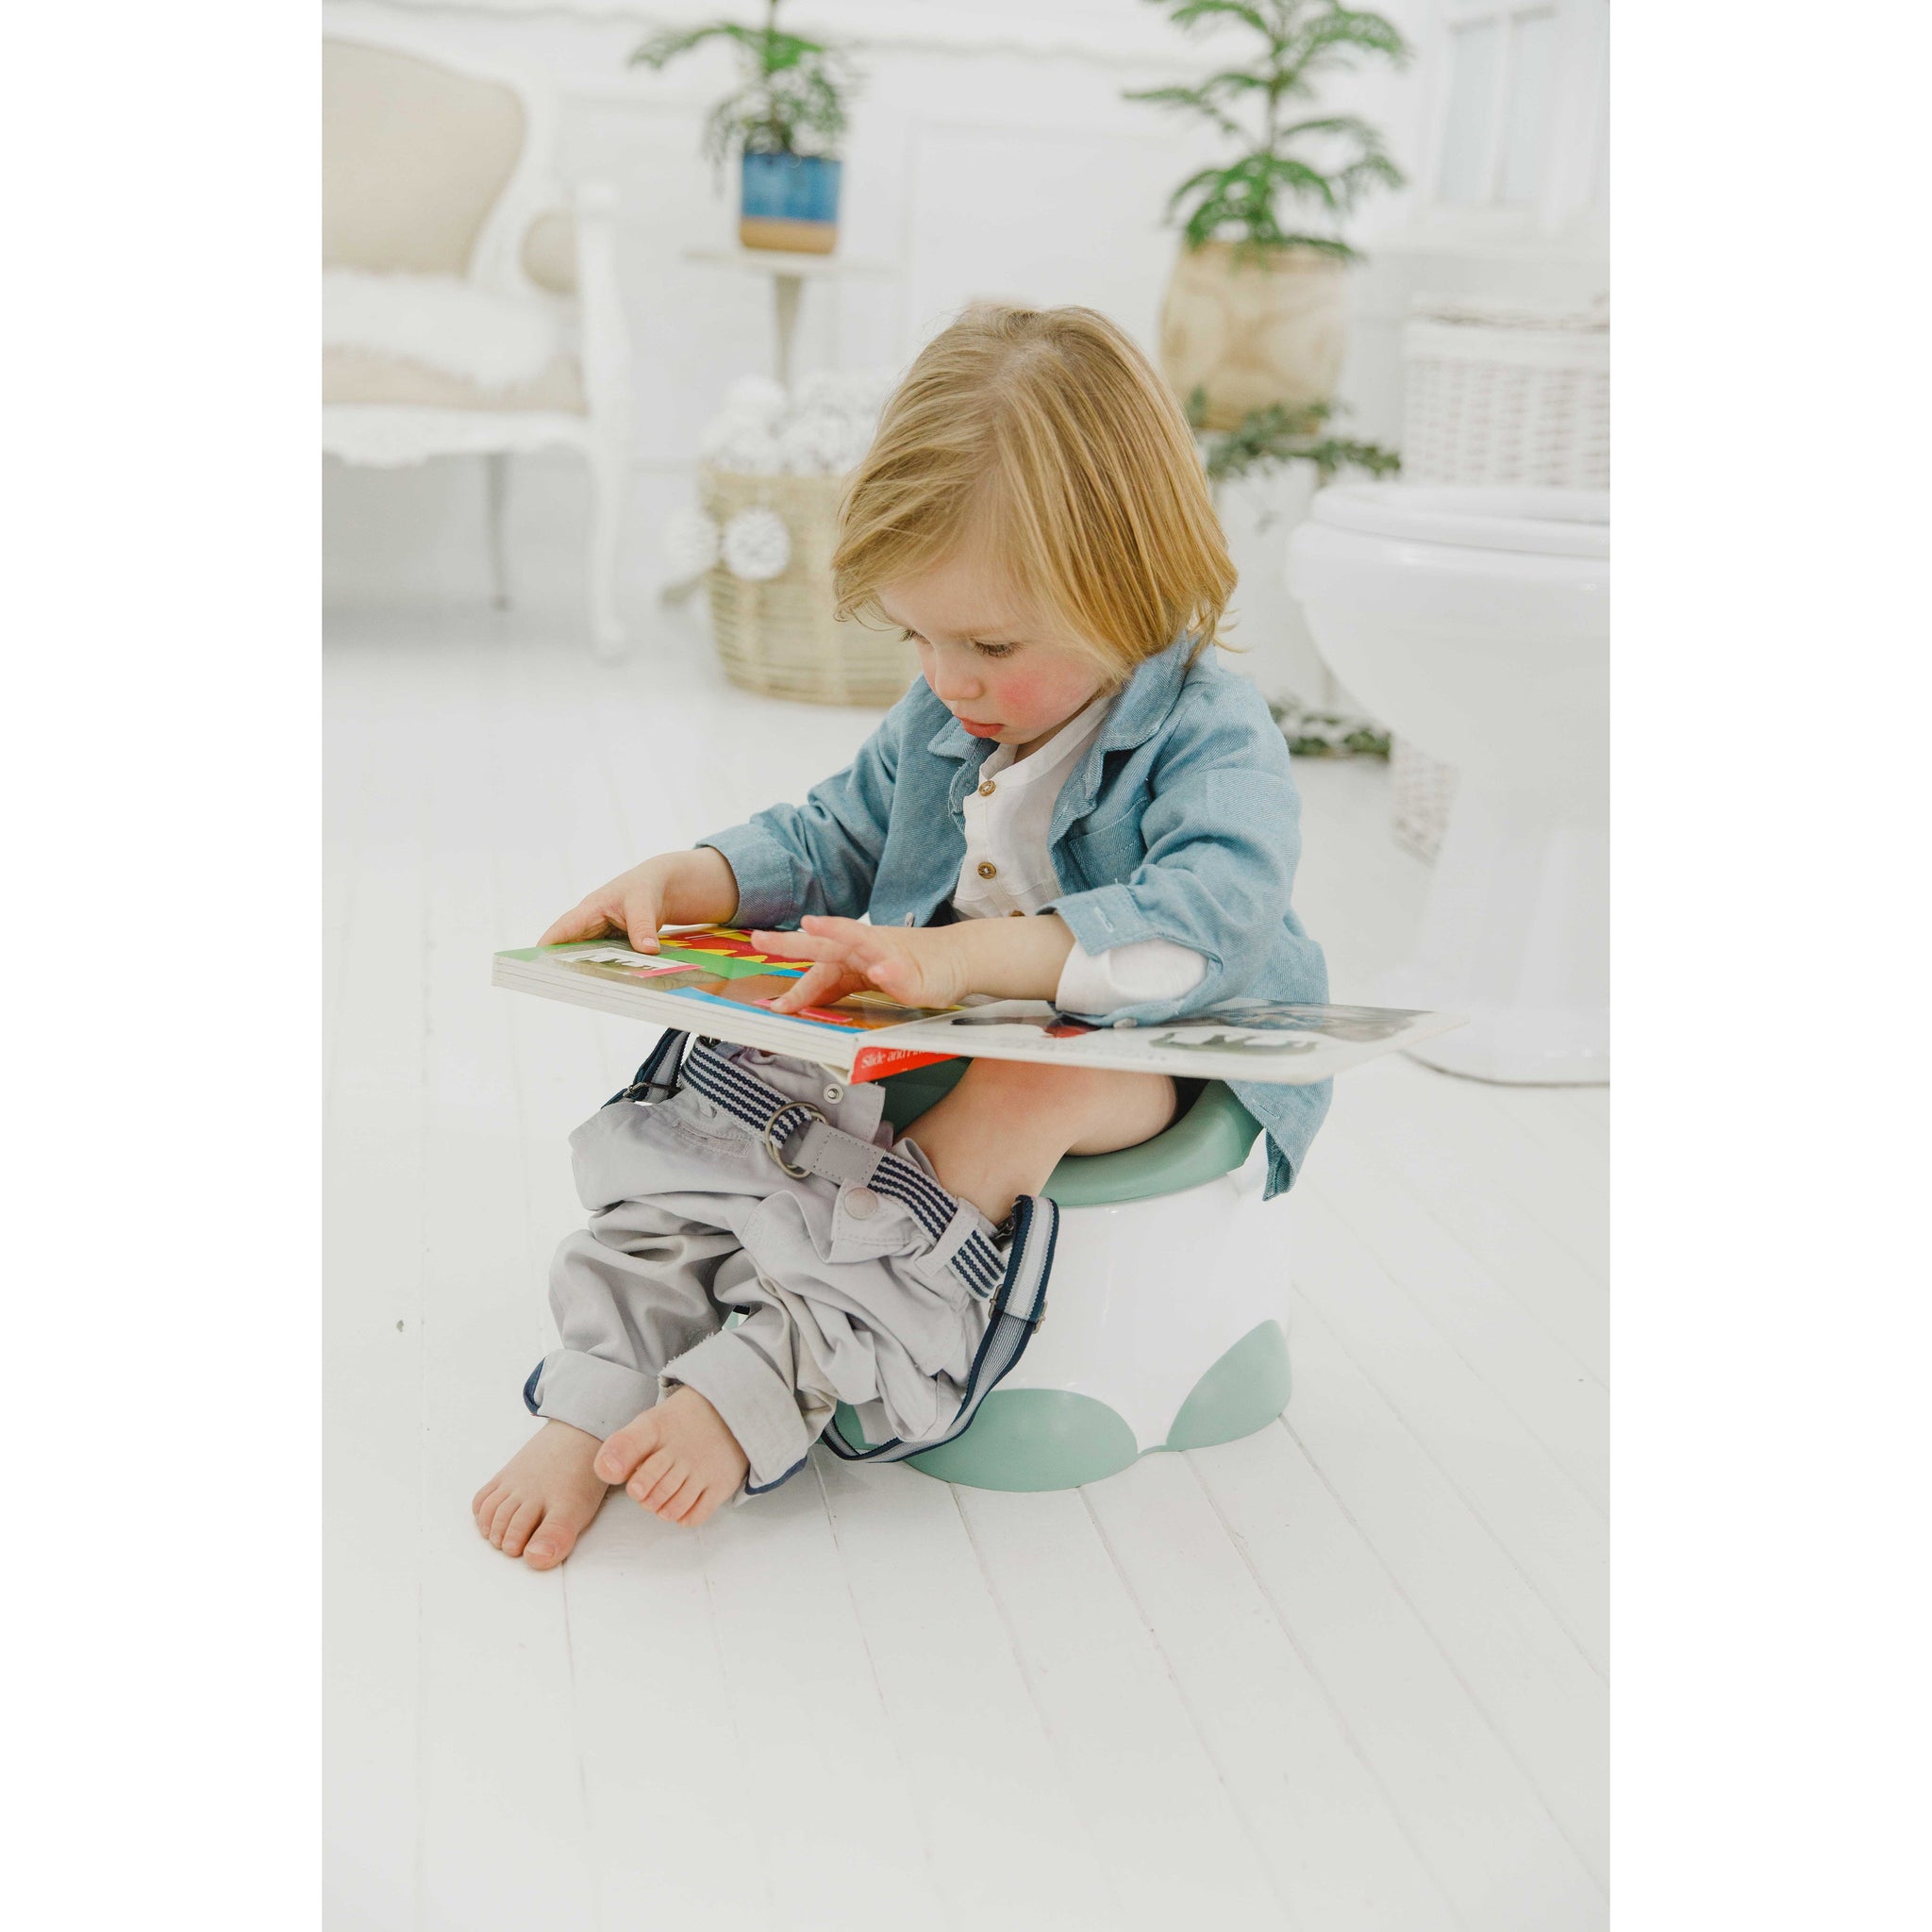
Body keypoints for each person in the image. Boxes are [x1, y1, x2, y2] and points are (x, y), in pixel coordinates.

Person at [473, 304, 1330, 1567]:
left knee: (1022, 1093)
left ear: (1133, 586)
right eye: (917, 634)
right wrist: (700, 877)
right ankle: (604, 1381)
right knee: (734, 1077)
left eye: (988, 643)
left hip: (1151, 1052)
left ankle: (774, 1376)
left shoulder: (1211, 733)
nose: (947, 677)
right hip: (953, 1018)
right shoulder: (947, 715)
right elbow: (836, 831)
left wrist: (962, 961)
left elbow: (1208, 917)